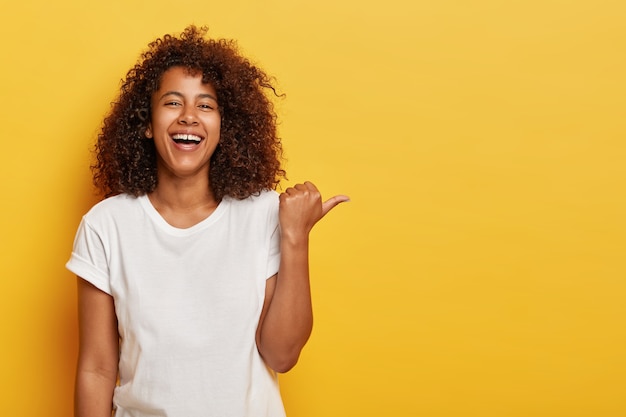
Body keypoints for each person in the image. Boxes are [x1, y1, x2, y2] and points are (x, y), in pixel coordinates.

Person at [66, 25, 348, 417]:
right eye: (172, 103)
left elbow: (281, 355)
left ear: (223, 127)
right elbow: (97, 369)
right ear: (146, 124)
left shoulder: (263, 213)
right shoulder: (106, 226)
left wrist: (295, 237)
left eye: (205, 105)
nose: (188, 117)